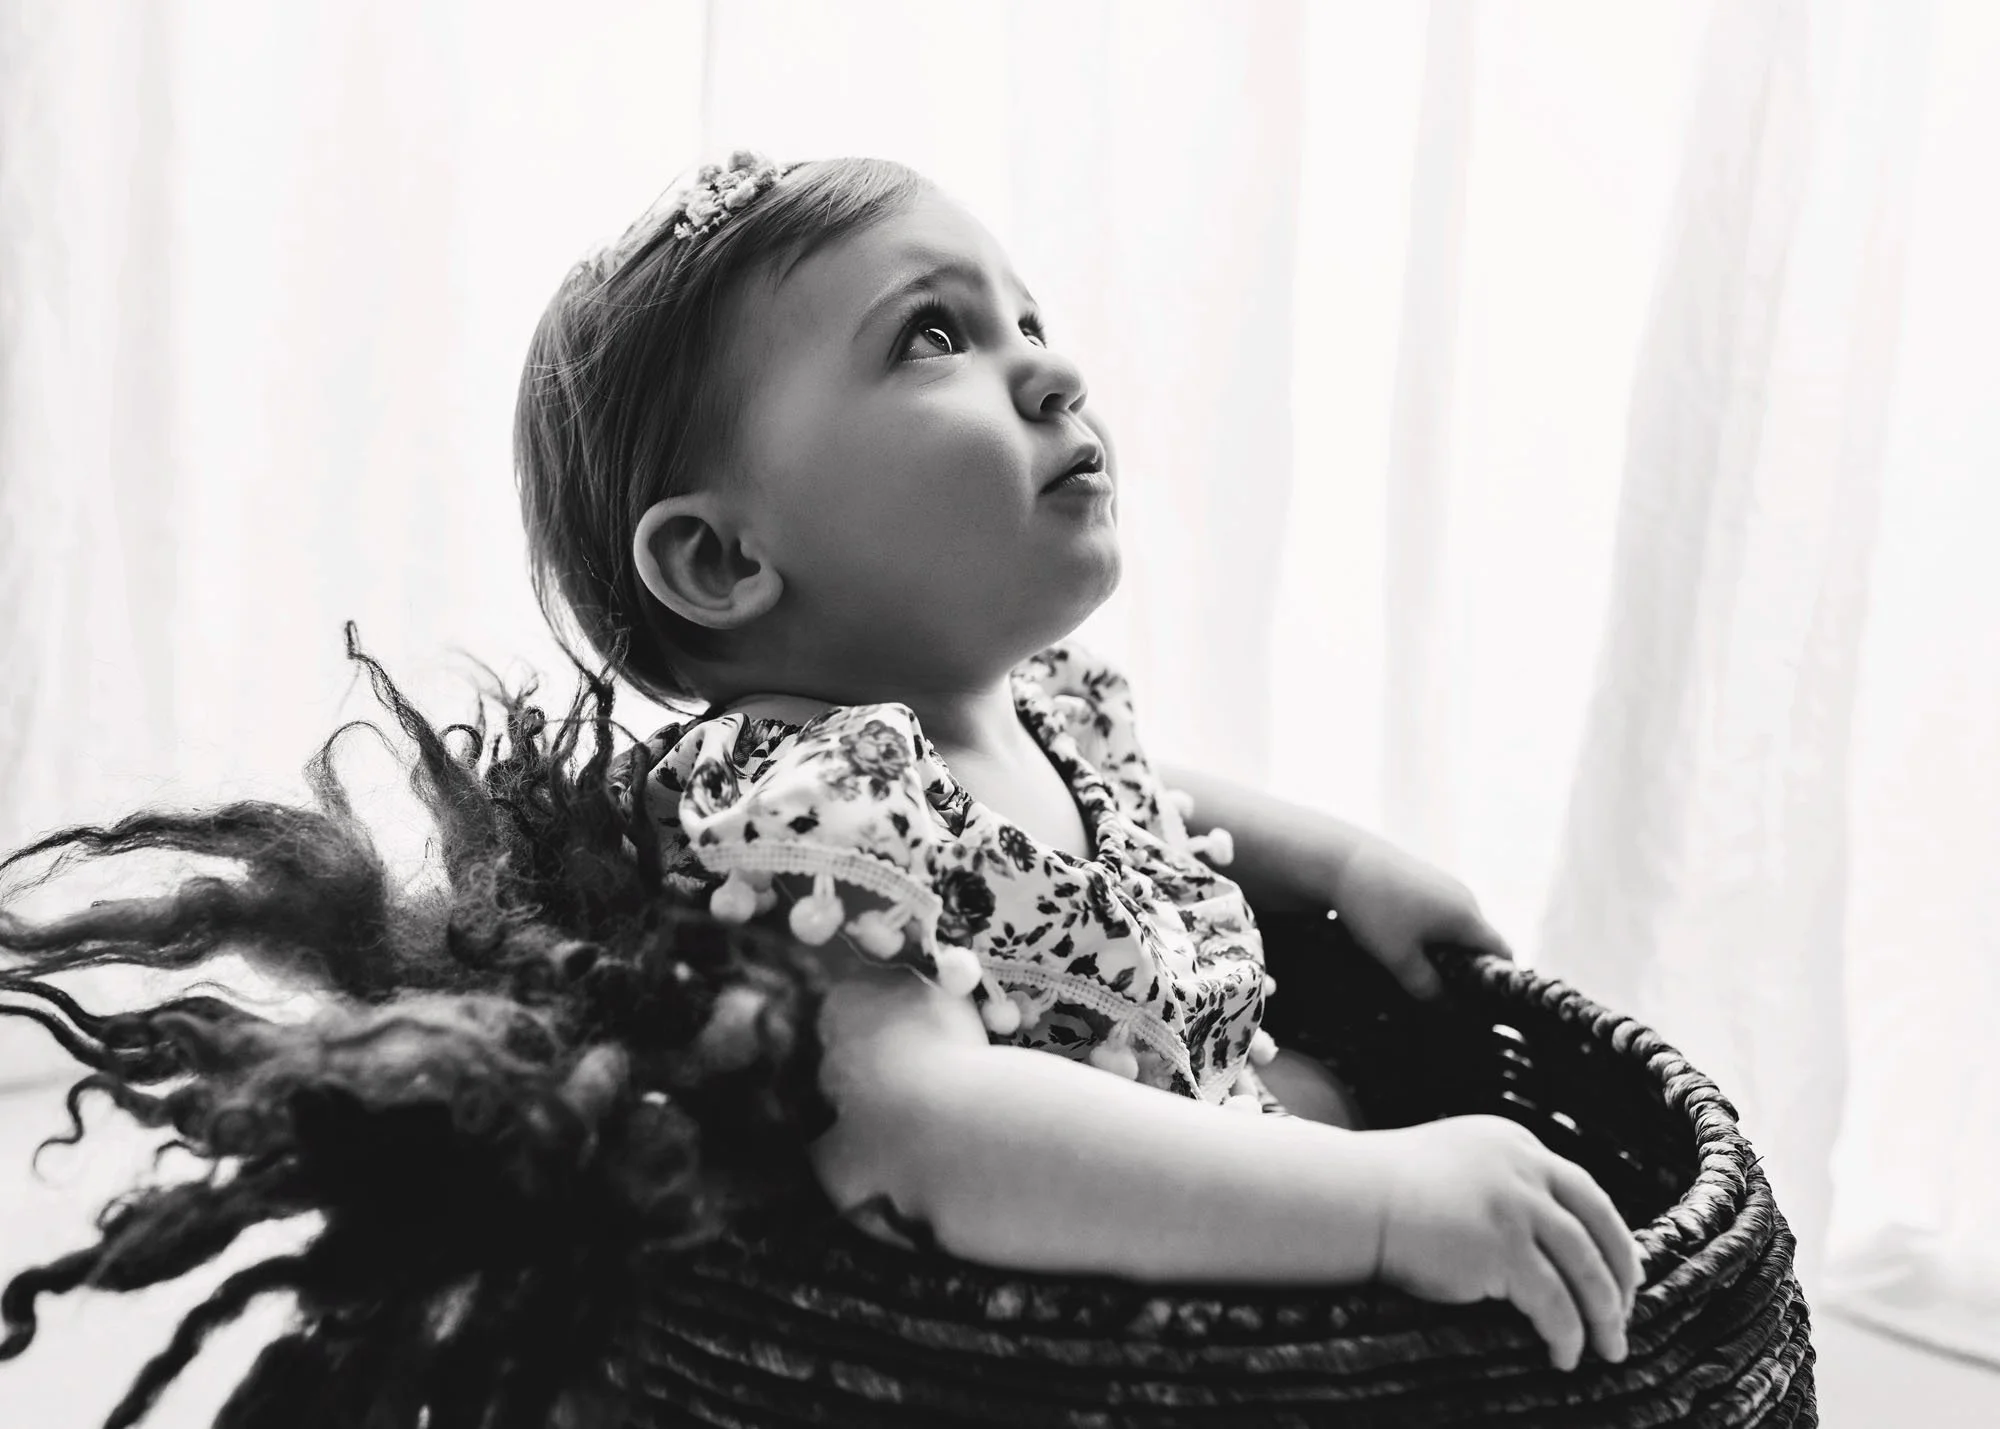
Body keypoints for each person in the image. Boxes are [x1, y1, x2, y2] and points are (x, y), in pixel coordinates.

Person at [516, 149, 1642, 1371]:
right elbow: (921, 1128)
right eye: (932, 336)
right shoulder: (805, 817)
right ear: (723, 562)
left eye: (1029, 320)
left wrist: (1342, 861)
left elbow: (1136, 806)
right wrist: (1373, 1202)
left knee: (1396, 1120)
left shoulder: (1034, 710)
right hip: (1058, 1340)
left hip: (1218, 1150)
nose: (1053, 372)